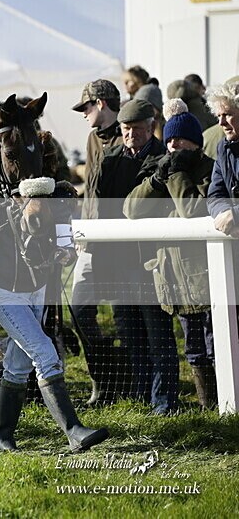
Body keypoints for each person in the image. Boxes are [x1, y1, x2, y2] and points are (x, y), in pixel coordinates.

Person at [0, 174, 108, 452]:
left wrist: (64, 253)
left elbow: (61, 250)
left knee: (18, 366)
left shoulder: (55, 210)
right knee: (44, 352)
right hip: (6, 296)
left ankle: (3, 439)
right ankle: (73, 430)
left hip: (36, 293)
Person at [124, 99, 216, 408]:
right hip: (174, 277)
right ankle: (207, 407)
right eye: (170, 139)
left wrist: (176, 175)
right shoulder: (164, 168)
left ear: (196, 141)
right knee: (193, 347)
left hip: (205, 275)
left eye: (180, 139)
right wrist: (156, 179)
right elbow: (130, 209)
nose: (174, 144)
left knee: (214, 343)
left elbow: (192, 211)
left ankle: (225, 407)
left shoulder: (207, 170)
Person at [94, 99, 179, 415]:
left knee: (158, 333)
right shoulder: (111, 159)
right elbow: (101, 208)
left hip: (150, 260)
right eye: (125, 129)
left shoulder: (162, 159)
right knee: (130, 333)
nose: (130, 134)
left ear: (151, 127)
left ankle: (164, 401)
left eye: (136, 129)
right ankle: (143, 396)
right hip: (117, 259)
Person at [70, 79, 130, 405]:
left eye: (86, 107)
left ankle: (128, 383)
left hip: (122, 245)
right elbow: (91, 191)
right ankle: (104, 377)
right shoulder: (93, 139)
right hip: (90, 242)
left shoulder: (128, 137)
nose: (83, 114)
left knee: (124, 317)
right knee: (79, 309)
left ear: (101, 104)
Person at [206, 80, 239, 238]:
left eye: (227, 114)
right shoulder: (223, 148)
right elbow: (214, 195)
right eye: (218, 116)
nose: (221, 122)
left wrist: (235, 216)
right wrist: (224, 214)